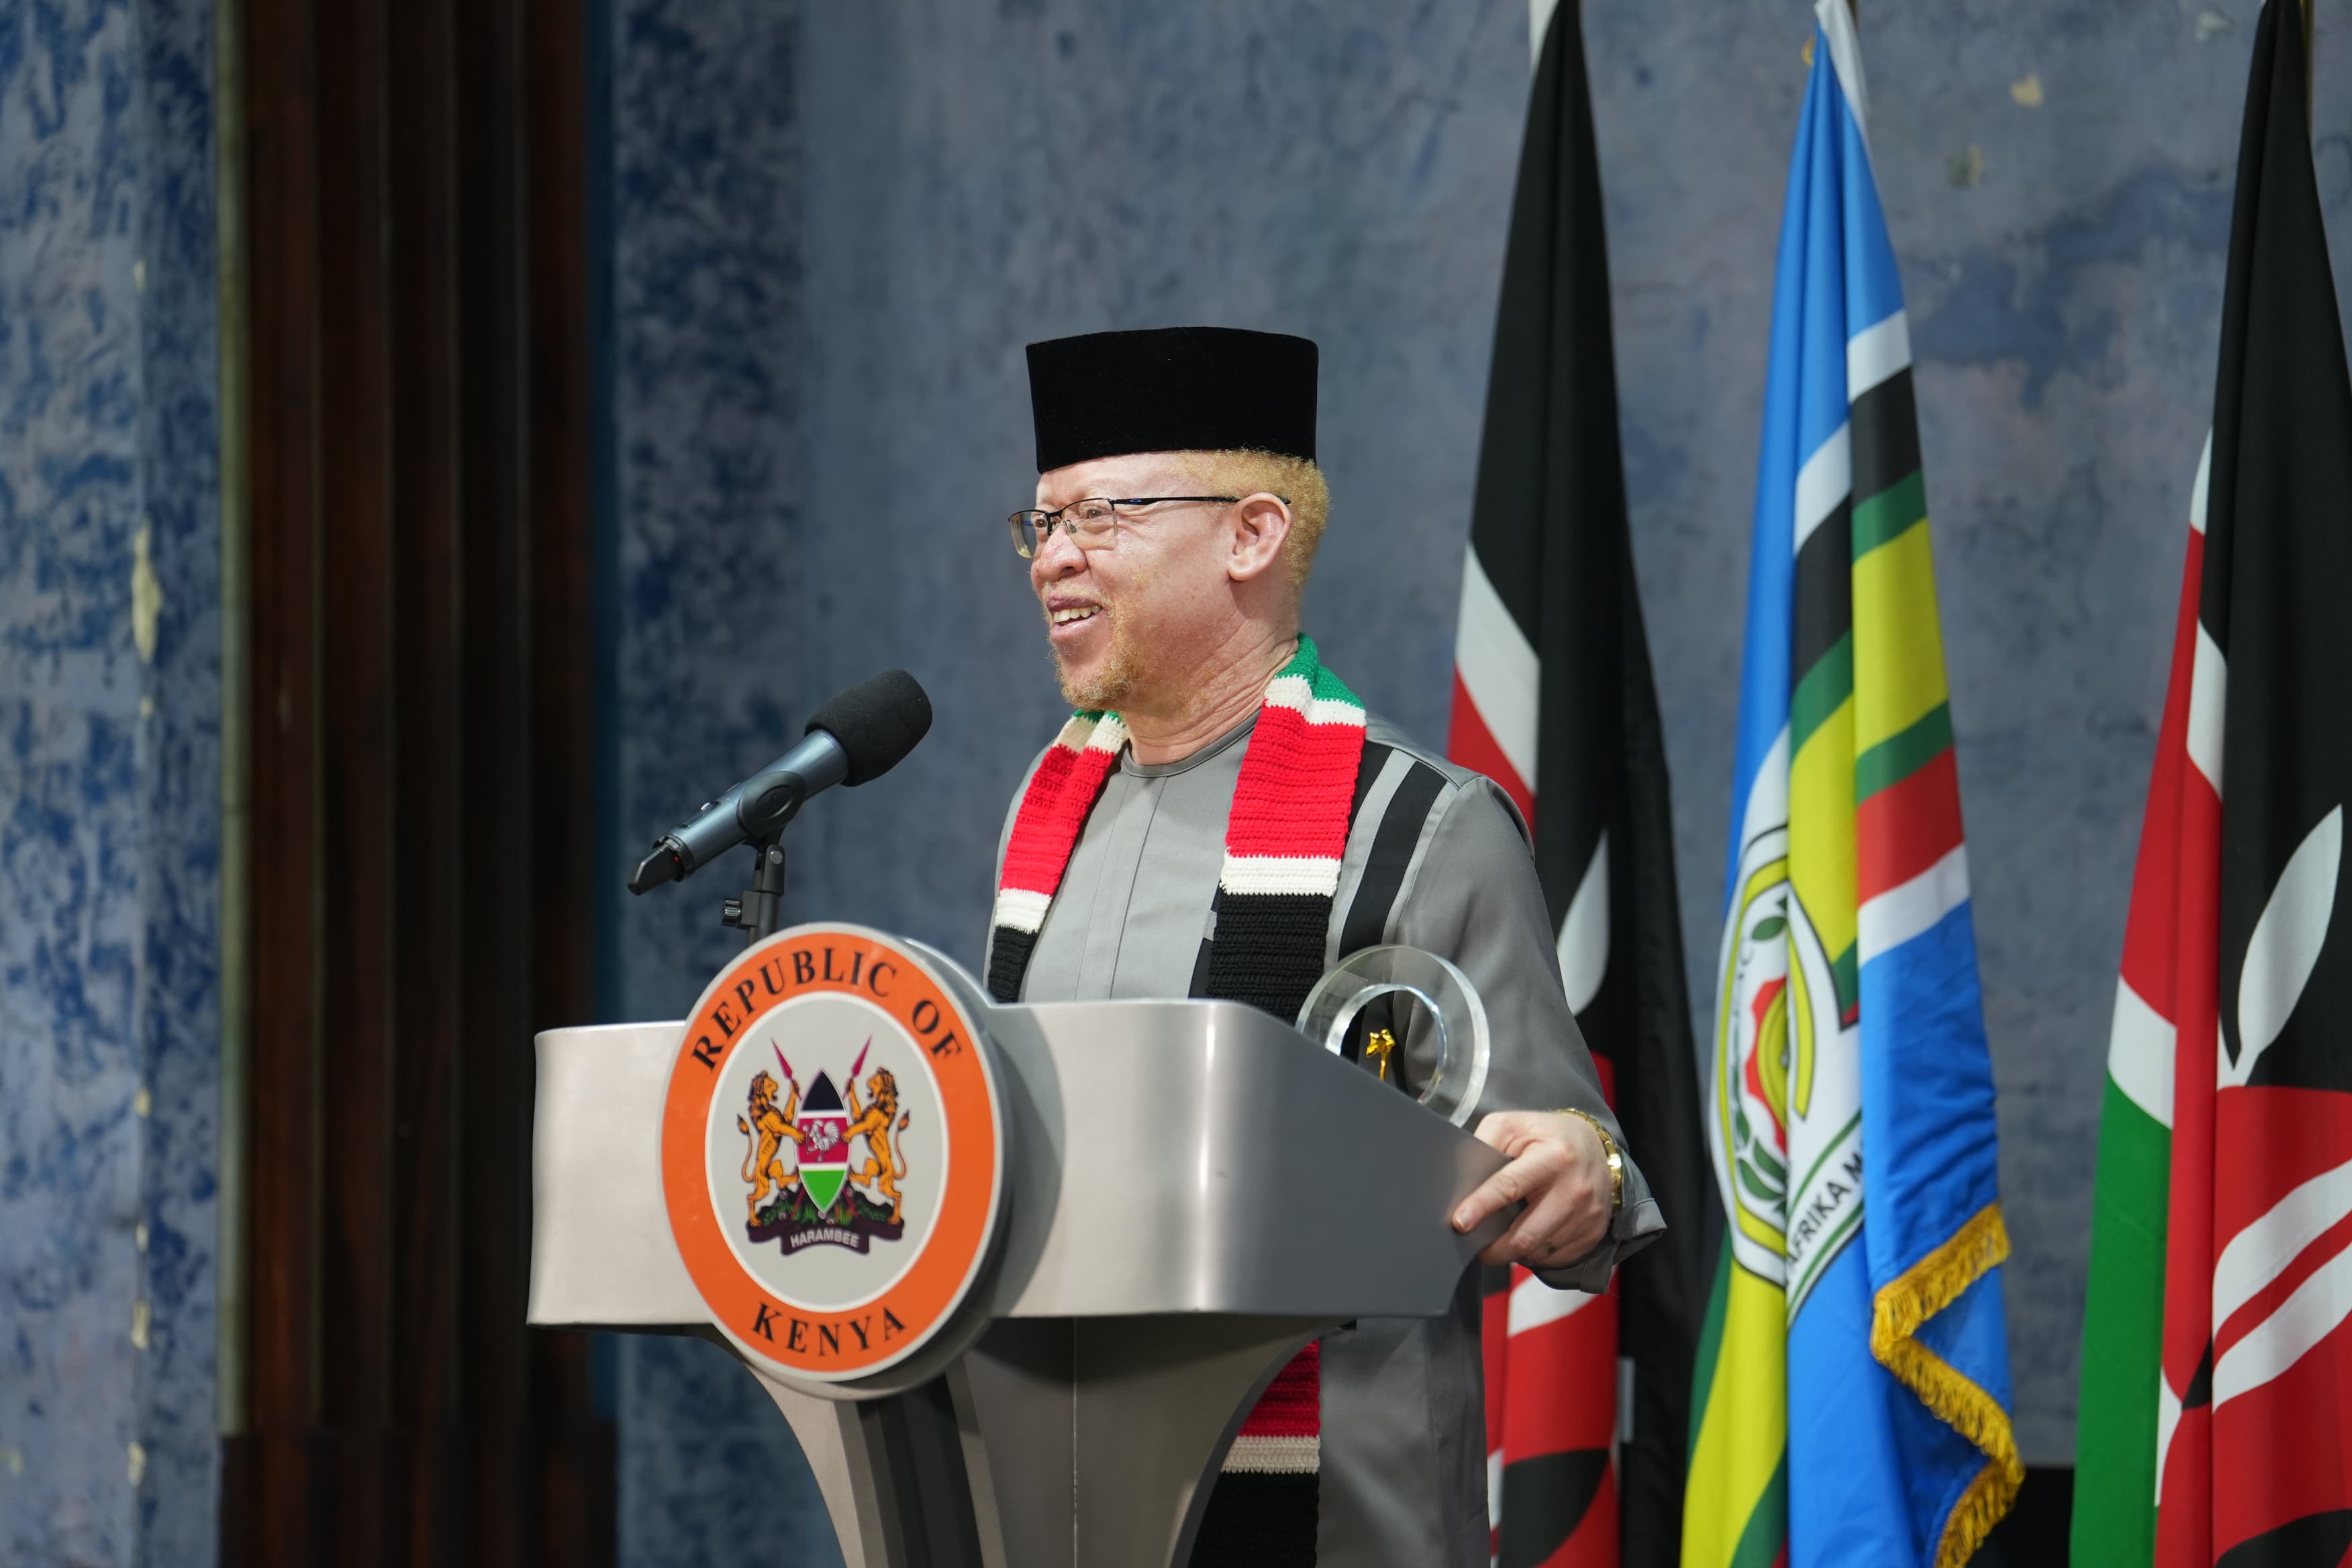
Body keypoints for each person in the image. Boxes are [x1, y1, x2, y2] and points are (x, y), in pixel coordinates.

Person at [984, 326, 1662, 1568]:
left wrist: (1586, 1172)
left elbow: (1580, 1176)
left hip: (1337, 1518)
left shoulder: (1422, 828)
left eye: (1101, 517)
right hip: (1066, 1503)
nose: (1053, 558)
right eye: (1043, 524)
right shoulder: (1051, 811)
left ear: (1252, 535)